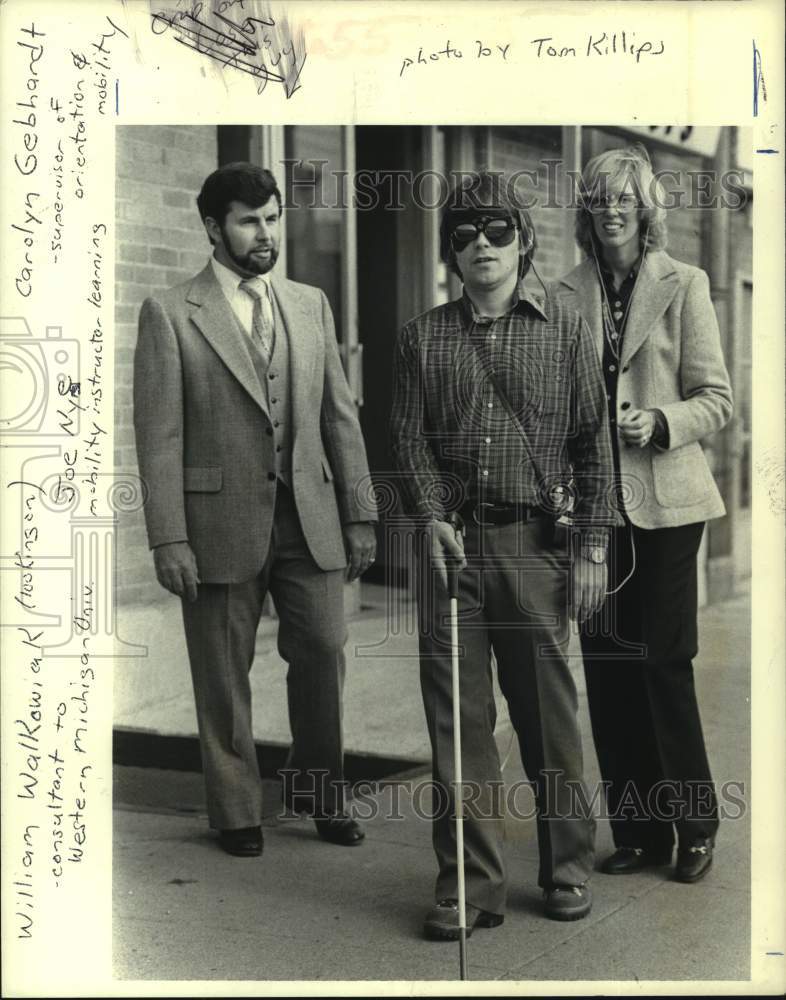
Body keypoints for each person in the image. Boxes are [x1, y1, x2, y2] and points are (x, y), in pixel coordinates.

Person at [390, 171, 621, 937]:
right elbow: (408, 439)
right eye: (463, 234)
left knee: (549, 722)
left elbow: (595, 445)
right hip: (452, 551)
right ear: (450, 252)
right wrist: (429, 514)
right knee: (457, 726)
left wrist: (591, 548)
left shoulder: (564, 329)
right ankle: (467, 885)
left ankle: (565, 869)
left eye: (496, 231)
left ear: (524, 241)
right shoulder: (421, 337)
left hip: (534, 547)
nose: (479, 246)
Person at [133, 162, 377, 857]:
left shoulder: (310, 304)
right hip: (215, 524)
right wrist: (167, 537)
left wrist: (360, 513)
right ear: (214, 228)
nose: (265, 233)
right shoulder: (170, 312)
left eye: (272, 218)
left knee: (325, 652)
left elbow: (340, 416)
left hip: (310, 517)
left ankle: (320, 791)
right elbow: (159, 436)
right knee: (222, 669)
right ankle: (236, 808)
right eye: (249, 221)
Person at [549, 143, 733, 883]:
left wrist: (659, 422)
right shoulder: (563, 294)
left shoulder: (685, 284)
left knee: (662, 664)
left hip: (668, 505)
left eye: (625, 197)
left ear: (645, 208)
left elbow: (716, 399)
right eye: (600, 198)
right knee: (608, 667)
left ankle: (694, 827)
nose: (612, 209)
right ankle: (636, 830)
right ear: (587, 213)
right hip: (595, 510)